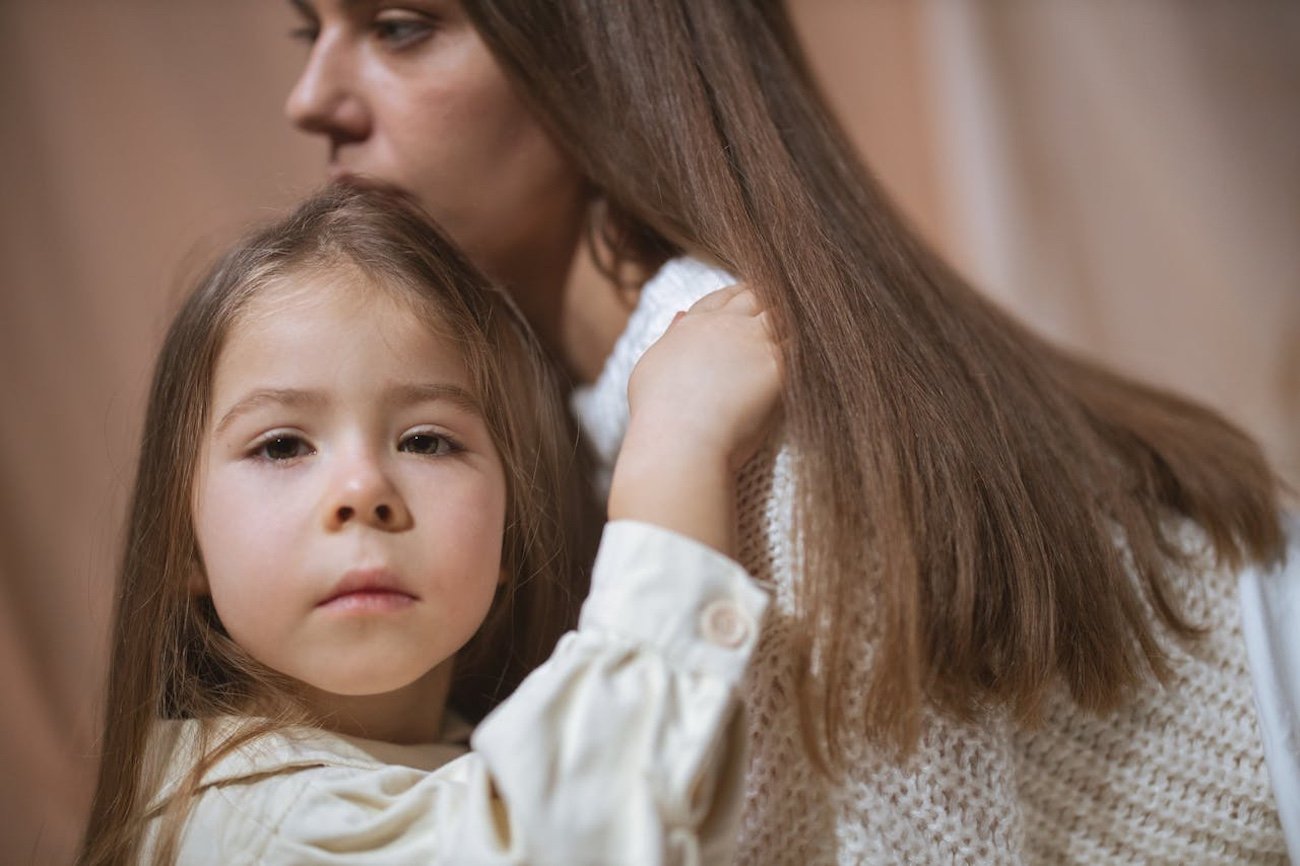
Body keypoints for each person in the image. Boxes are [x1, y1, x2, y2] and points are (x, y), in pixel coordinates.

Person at [281, 1, 1296, 862]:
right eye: (307, 29)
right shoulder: (588, 418)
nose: (310, 99)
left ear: (593, 50)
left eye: (399, 26)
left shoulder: (765, 447)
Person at [77, 186, 782, 865]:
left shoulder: (460, 758)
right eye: (283, 445)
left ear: (509, 527)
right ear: (183, 542)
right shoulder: (237, 825)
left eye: (426, 441)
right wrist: (678, 444)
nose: (362, 491)